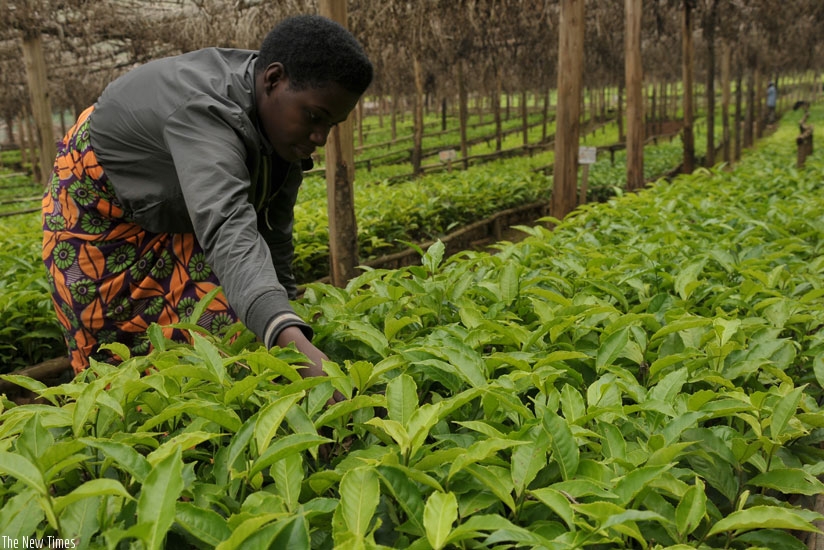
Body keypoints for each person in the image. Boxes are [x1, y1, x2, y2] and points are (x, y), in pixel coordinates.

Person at [41, 14, 373, 381]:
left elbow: (272, 229)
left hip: (183, 203)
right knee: (112, 360)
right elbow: (227, 226)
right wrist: (294, 346)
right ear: (274, 79)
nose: (320, 137)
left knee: (225, 333)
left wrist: (287, 311)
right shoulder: (205, 112)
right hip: (101, 213)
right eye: (314, 117)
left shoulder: (282, 128)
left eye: (331, 124)